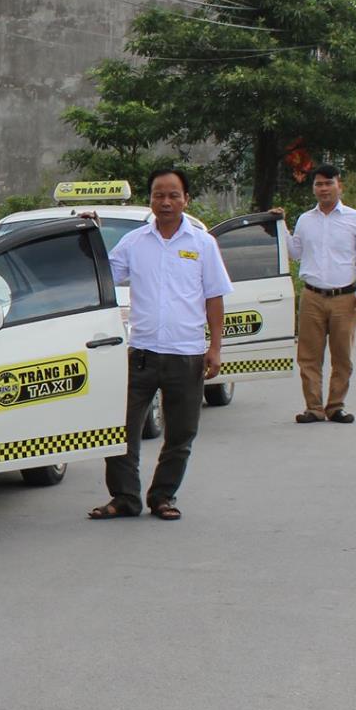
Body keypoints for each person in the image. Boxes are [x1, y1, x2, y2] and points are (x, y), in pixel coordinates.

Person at [88, 167, 232, 522]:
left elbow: (214, 298)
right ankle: (124, 498)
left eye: (173, 195)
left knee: (181, 433)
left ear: (186, 199)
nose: (165, 202)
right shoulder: (135, 243)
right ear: (149, 198)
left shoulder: (202, 244)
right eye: (158, 195)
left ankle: (163, 496)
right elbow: (101, 272)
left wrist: (215, 348)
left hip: (187, 354)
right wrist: (88, 235)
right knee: (121, 428)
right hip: (141, 353)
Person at [286, 163, 356, 425]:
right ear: (313, 188)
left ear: (339, 186)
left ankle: (336, 406)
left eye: (328, 183)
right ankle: (313, 408)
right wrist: (280, 226)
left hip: (345, 298)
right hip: (312, 296)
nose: (323, 189)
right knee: (308, 355)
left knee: (342, 355)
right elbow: (295, 253)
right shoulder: (305, 219)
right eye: (319, 184)